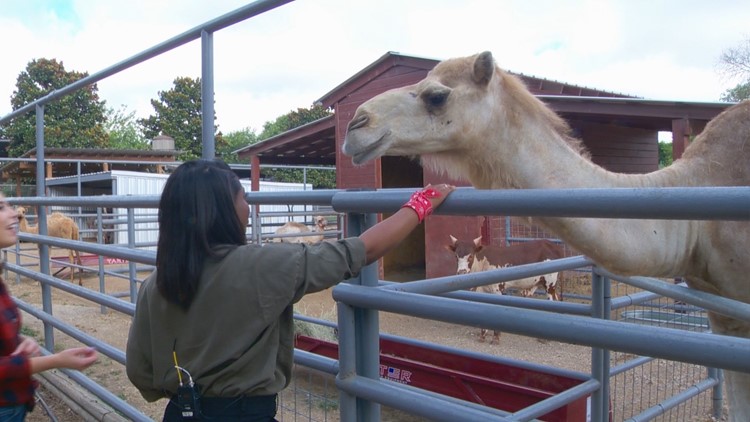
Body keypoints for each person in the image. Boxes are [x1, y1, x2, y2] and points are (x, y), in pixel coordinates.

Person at [126, 159, 455, 421]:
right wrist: (421, 203)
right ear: (223, 210)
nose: (247, 205)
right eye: (242, 196)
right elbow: (362, 250)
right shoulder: (264, 266)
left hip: (181, 412)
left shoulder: (155, 284)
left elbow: (141, 374)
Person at [0, 194, 98, 421]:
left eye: (12, 207)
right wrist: (56, 361)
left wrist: (21, 340)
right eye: (1, 207)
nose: (14, 213)